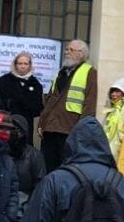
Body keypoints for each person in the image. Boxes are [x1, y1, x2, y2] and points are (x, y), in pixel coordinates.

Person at [37, 40, 95, 174]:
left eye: (70, 50)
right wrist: (42, 122)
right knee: (48, 168)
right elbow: (51, 99)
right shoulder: (61, 72)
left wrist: (82, 130)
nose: (66, 52)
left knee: (66, 169)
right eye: (67, 49)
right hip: (50, 128)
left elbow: (89, 105)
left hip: (70, 130)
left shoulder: (90, 72)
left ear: (81, 53)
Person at [0, 52, 44, 129]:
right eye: (20, 63)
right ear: (15, 65)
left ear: (30, 66)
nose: (23, 66)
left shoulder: (35, 83)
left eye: (26, 64)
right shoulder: (5, 80)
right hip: (7, 121)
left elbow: (38, 108)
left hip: (26, 123)